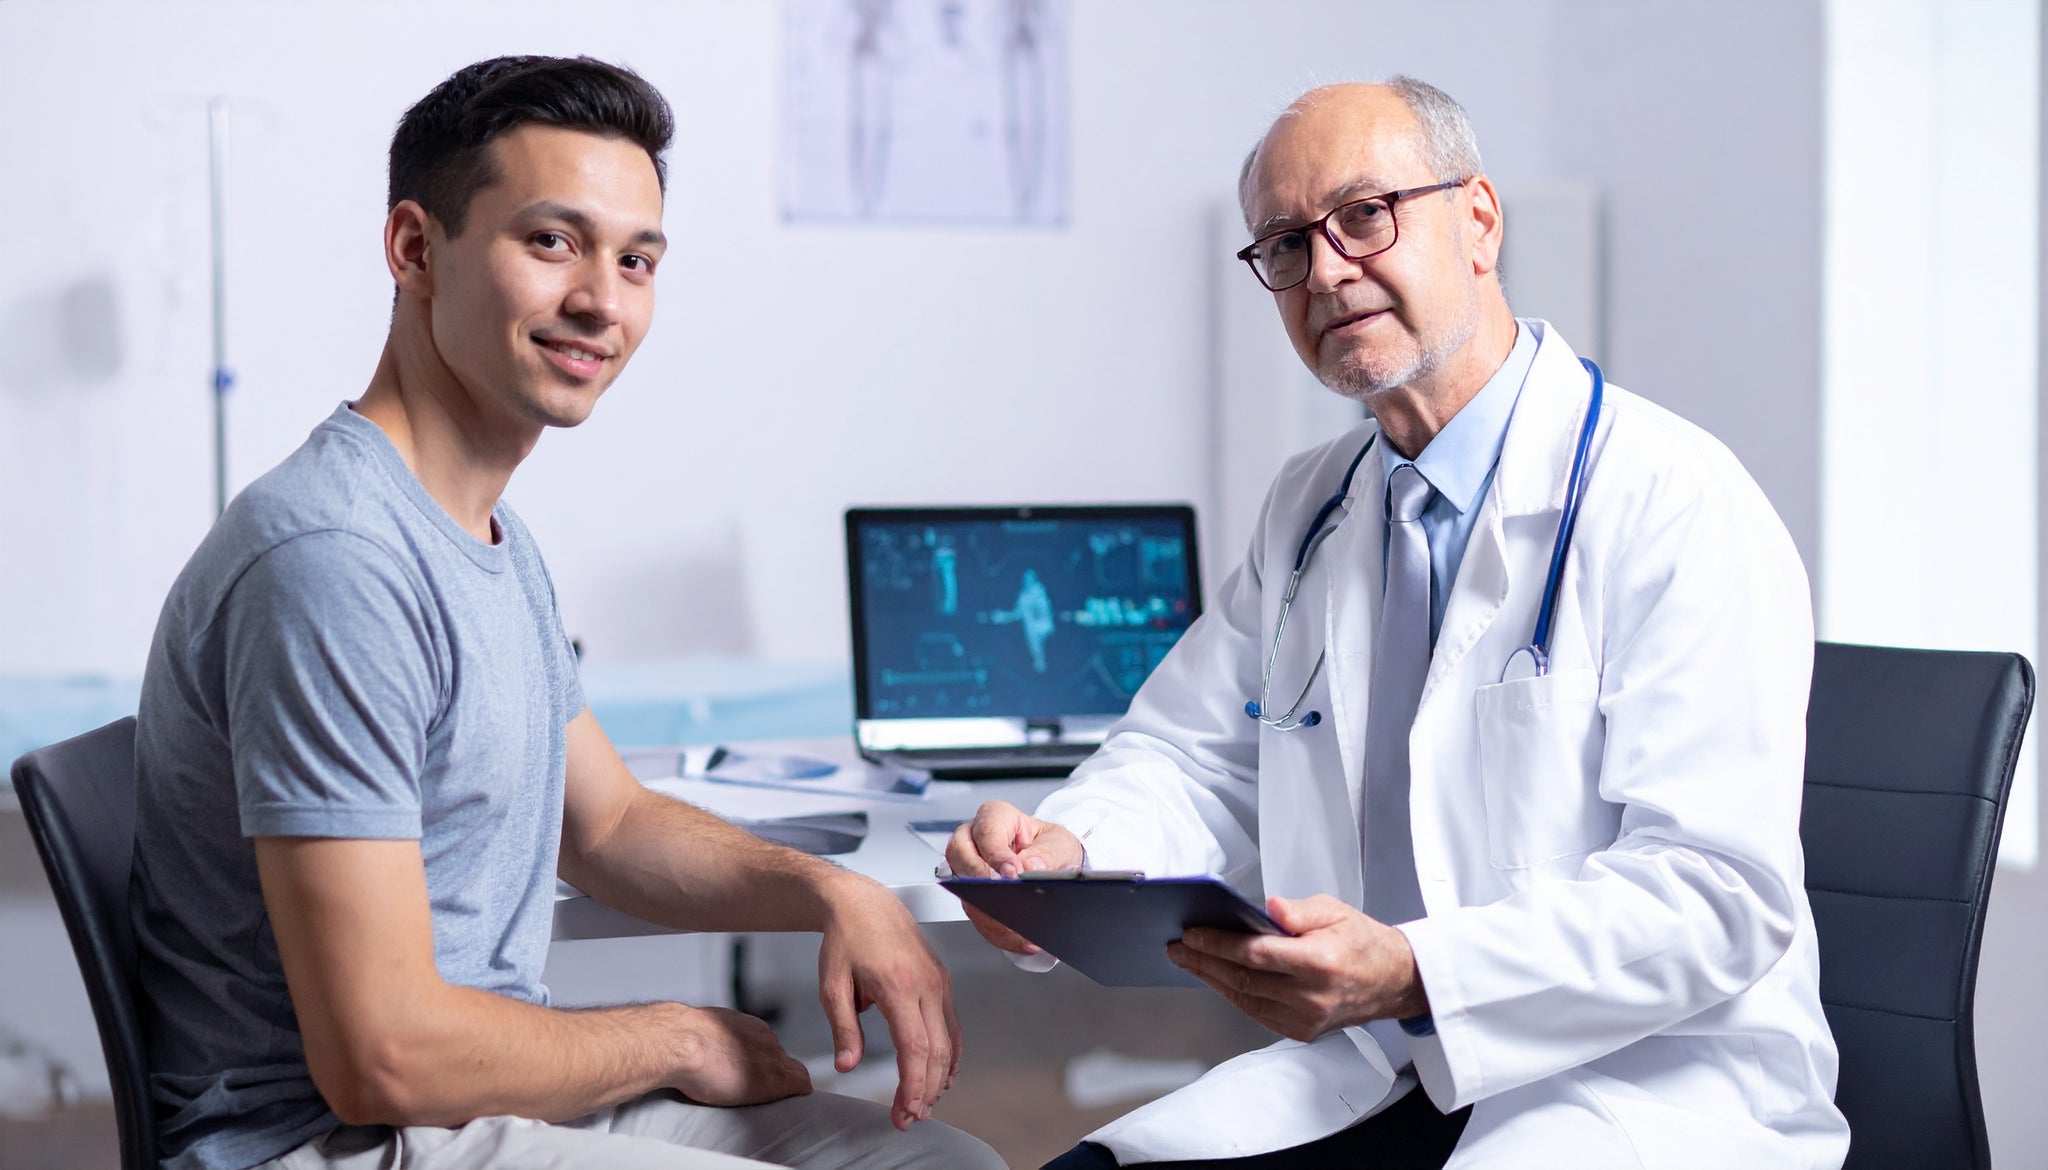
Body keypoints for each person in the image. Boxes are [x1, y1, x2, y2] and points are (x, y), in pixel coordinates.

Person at [948, 77, 1849, 1170]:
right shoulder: (1312, 505)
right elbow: (1192, 759)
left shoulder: (1671, 499)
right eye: (1283, 244)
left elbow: (1716, 894)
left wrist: (1420, 970)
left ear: (1476, 220)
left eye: (1364, 214)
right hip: (1377, 1065)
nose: (1324, 268)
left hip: (1639, 1088)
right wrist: (1064, 858)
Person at [131, 55, 1003, 1170]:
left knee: (946, 1165)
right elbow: (381, 1057)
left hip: (480, 1102)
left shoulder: (489, 540)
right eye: (551, 241)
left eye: (635, 259)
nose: (600, 298)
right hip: (338, 1140)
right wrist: (673, 1037)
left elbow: (608, 829)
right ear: (413, 249)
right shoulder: (335, 558)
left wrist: (833, 892)